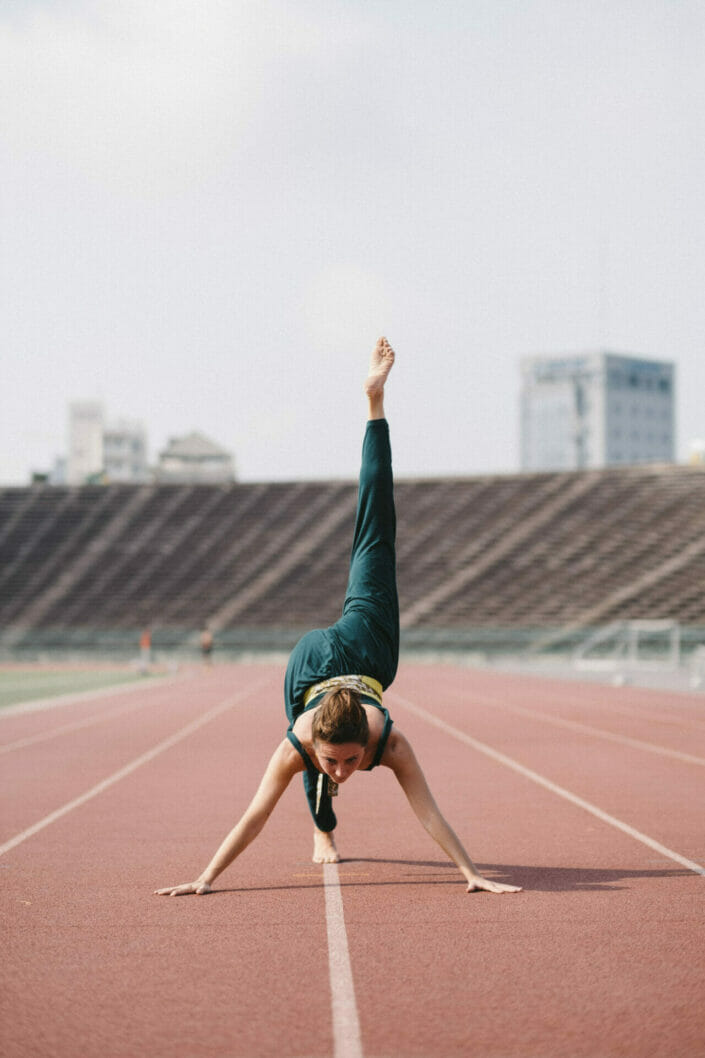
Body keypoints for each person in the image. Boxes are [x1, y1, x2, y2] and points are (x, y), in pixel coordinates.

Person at [156, 339, 521, 897]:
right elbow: (254, 816)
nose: (343, 770)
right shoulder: (302, 744)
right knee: (310, 785)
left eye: (350, 761)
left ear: (370, 739)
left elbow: (428, 811)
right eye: (335, 760)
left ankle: (374, 404)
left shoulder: (390, 744)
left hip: (358, 645)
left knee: (377, 527)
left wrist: (472, 874)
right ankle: (323, 829)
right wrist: (205, 878)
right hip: (342, 658)